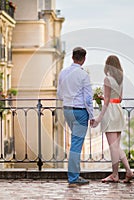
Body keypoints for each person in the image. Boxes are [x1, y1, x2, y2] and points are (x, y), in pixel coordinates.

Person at [92, 55, 134, 183]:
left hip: (110, 111)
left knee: (113, 147)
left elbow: (106, 103)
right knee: (116, 146)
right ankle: (127, 171)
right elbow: (120, 98)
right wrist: (106, 98)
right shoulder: (120, 79)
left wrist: (98, 118)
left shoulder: (107, 79)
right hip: (118, 110)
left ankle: (116, 174)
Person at [57, 47, 94, 185]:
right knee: (76, 145)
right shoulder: (83, 75)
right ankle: (73, 177)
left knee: (75, 142)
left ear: (72, 57)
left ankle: (74, 175)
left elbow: (59, 94)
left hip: (67, 110)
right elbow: (88, 99)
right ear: (84, 59)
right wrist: (92, 115)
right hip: (80, 112)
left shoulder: (63, 73)